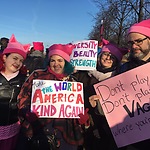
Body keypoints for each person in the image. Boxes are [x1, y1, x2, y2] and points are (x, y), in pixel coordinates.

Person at [17, 44, 89, 150]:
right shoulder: (37, 76)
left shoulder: (73, 82)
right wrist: (27, 112)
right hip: (41, 129)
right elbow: (22, 98)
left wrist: (81, 119)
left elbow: (77, 108)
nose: (56, 64)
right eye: (53, 60)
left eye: (60, 60)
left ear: (66, 63)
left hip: (66, 134)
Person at [72, 39, 129, 150]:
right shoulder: (83, 73)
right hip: (85, 125)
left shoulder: (122, 79)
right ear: (99, 56)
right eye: (105, 54)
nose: (108, 58)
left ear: (117, 61)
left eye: (112, 57)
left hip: (111, 129)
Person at [0, 34, 30, 150]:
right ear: (4, 58)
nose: (18, 62)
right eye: (15, 58)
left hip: (12, 131)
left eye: (21, 60)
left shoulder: (25, 81)